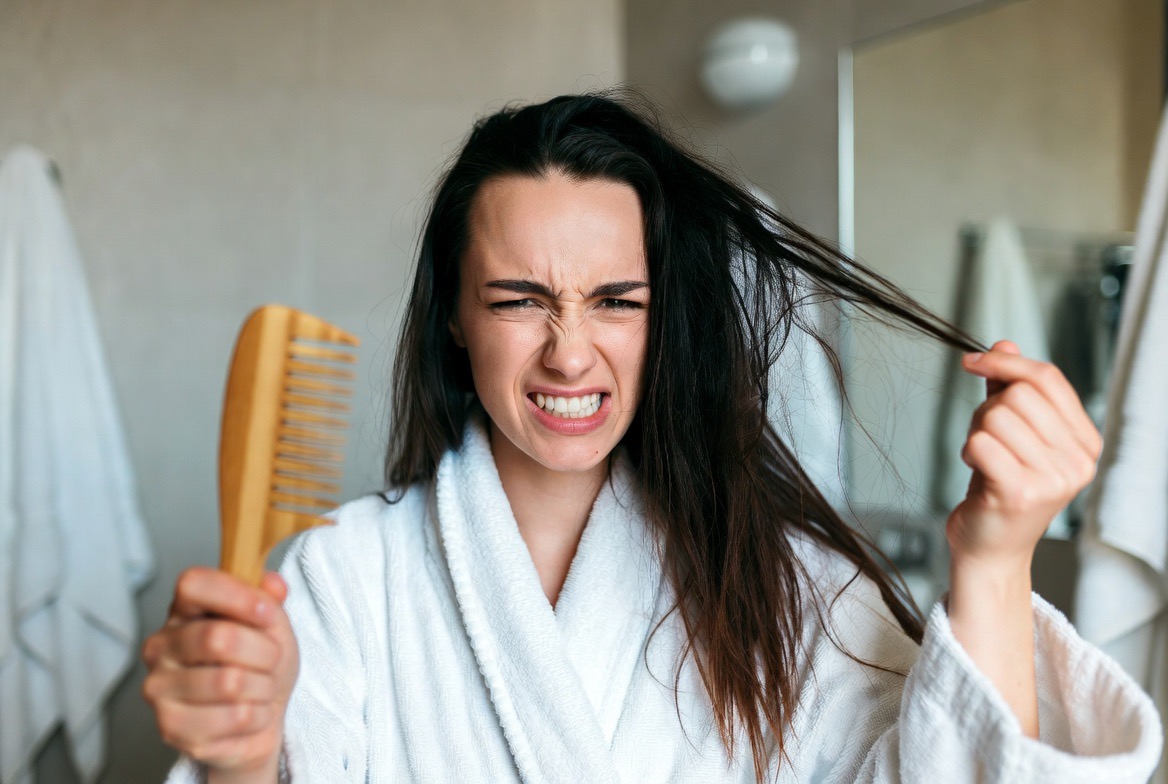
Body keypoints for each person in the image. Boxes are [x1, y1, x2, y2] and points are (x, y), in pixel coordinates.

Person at [144, 91, 1162, 783]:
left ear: (662, 315)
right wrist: (242, 751)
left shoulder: (784, 586)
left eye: (615, 300)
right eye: (518, 299)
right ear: (453, 313)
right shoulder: (344, 581)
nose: (569, 353)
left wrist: (993, 556)